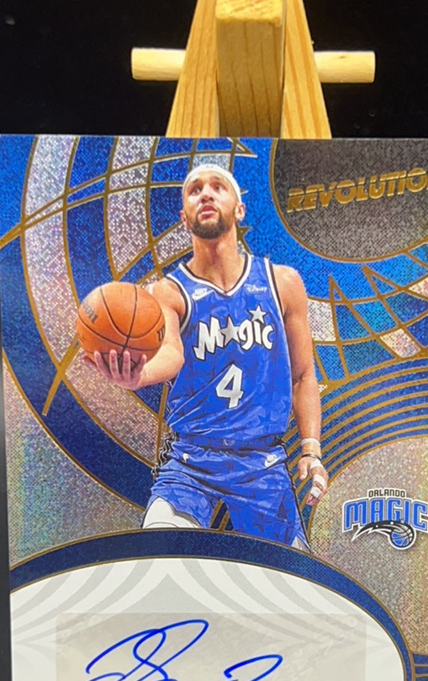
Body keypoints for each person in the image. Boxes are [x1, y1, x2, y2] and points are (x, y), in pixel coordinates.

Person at [90, 163, 328, 548]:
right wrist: (138, 376)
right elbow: (172, 354)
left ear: (239, 208)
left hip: (262, 463)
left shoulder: (282, 283)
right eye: (195, 189)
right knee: (156, 556)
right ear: (184, 217)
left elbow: (303, 376)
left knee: (288, 579)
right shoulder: (168, 292)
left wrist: (310, 450)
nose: (206, 193)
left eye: (218, 186)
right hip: (191, 461)